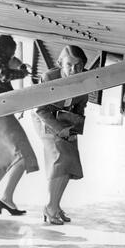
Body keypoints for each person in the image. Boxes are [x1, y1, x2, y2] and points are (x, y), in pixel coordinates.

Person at [0, 34, 39, 215]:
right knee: (24, 156)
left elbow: (6, 66)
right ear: (6, 49)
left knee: (4, 160)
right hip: (0, 111)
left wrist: (17, 64)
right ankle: (6, 198)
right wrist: (22, 73)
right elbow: (3, 74)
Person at [32, 45, 88, 225]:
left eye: (78, 65)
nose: (74, 69)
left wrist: (74, 130)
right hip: (45, 120)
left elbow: (80, 108)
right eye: (69, 65)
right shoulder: (49, 77)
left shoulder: (85, 79)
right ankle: (50, 207)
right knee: (61, 160)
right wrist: (60, 129)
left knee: (69, 162)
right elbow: (40, 109)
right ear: (60, 64)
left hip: (66, 121)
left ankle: (55, 205)